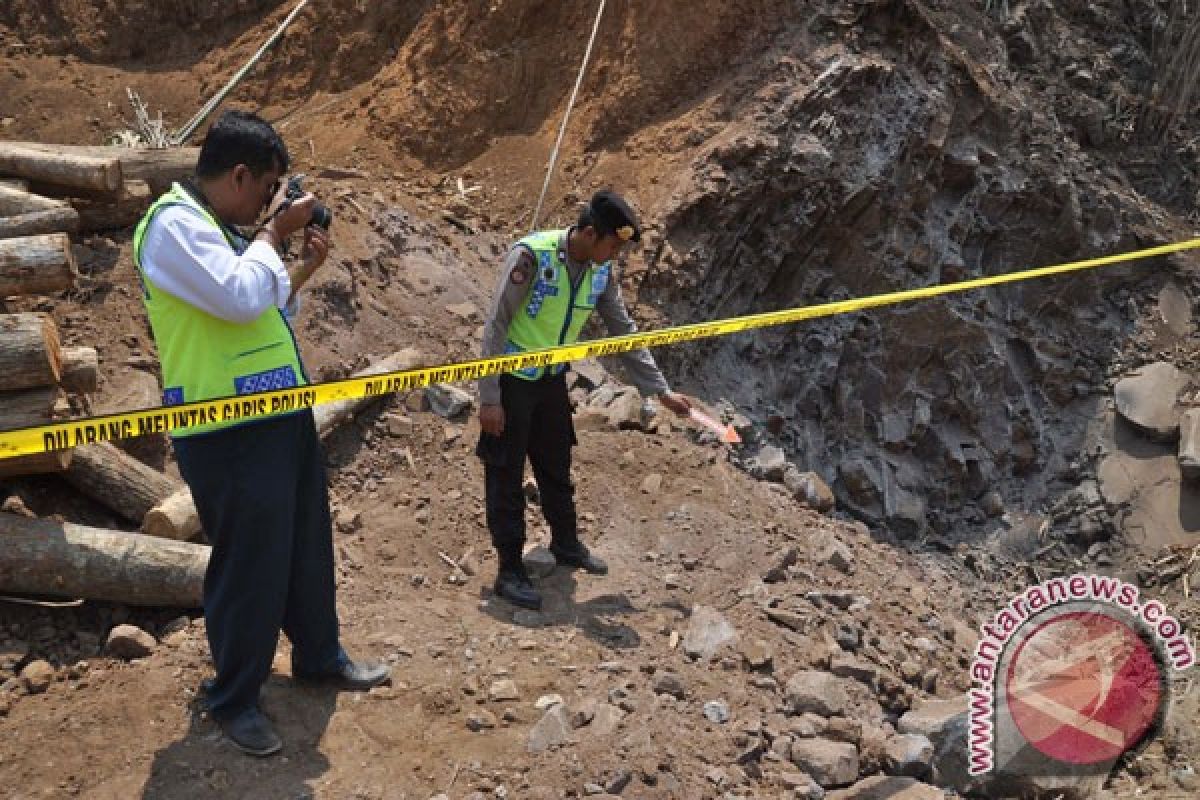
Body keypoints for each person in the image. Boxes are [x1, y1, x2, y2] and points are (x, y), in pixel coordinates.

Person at [133, 110, 388, 757]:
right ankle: (235, 698)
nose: (270, 203)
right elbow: (242, 297)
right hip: (225, 427)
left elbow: (258, 309)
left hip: (276, 414)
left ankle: (318, 655)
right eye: (268, 187)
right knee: (250, 562)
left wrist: (296, 268)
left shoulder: (216, 226)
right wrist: (275, 232)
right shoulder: (173, 226)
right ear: (240, 174)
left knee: (305, 541)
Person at [476, 189, 692, 610]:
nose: (615, 255)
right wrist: (490, 397)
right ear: (591, 234)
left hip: (552, 380)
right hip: (513, 380)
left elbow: (624, 331)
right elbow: (495, 325)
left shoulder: (600, 274)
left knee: (557, 465)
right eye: (612, 245)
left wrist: (660, 390)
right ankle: (510, 570)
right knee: (506, 475)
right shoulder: (532, 257)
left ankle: (567, 544)